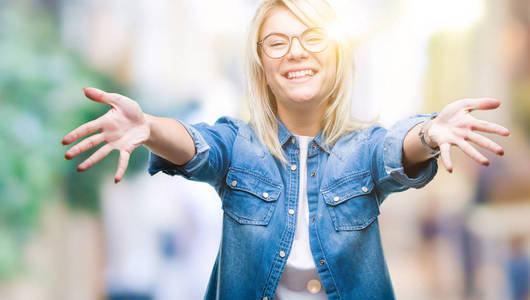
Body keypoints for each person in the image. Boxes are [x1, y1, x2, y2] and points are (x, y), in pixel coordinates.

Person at [62, 0, 510, 299]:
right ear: (263, 65)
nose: (295, 52)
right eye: (277, 42)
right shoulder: (238, 144)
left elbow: (397, 148)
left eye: (312, 38)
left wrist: (430, 132)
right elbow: (197, 145)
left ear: (334, 56)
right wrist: (149, 127)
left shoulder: (364, 148)